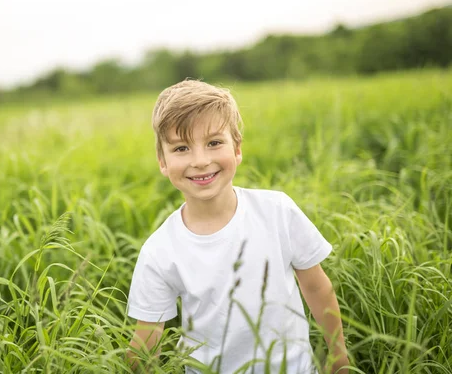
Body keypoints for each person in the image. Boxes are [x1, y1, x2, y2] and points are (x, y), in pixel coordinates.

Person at [125, 79, 350, 373]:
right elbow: (145, 345)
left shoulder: (277, 212)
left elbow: (317, 287)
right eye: (181, 148)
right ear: (162, 161)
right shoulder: (159, 251)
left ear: (237, 149)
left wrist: (339, 356)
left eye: (214, 143)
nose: (201, 161)